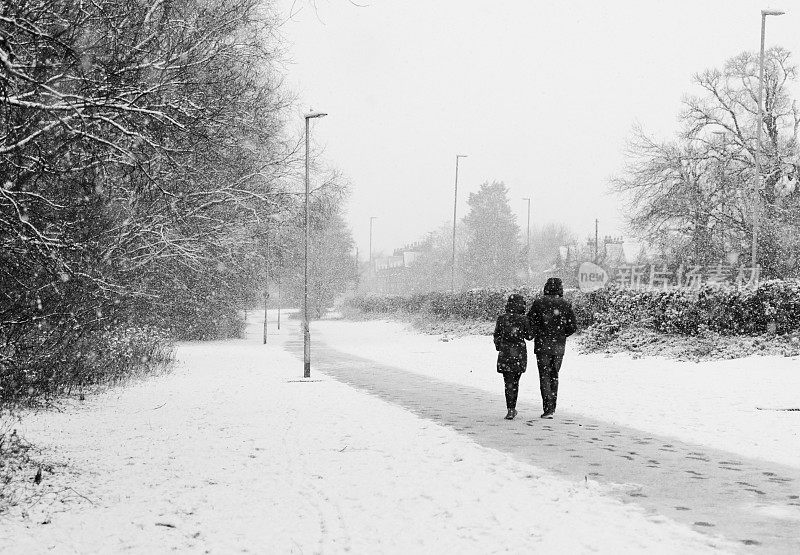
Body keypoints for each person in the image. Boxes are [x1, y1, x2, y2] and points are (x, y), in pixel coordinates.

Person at [527, 277, 577, 419]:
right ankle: (552, 407)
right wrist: (561, 334)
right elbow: (572, 326)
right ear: (560, 289)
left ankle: (548, 408)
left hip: (542, 345)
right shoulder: (565, 305)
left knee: (544, 376)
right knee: (554, 375)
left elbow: (530, 322)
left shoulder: (539, 303)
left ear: (546, 288)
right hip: (558, 346)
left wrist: (538, 331)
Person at [493, 293, 534, 420]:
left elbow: (497, 335)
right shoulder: (523, 319)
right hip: (519, 353)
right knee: (515, 381)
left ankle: (510, 409)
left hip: (505, 352)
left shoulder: (501, 318)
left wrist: (500, 346)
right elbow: (529, 336)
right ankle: (512, 407)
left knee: (508, 382)